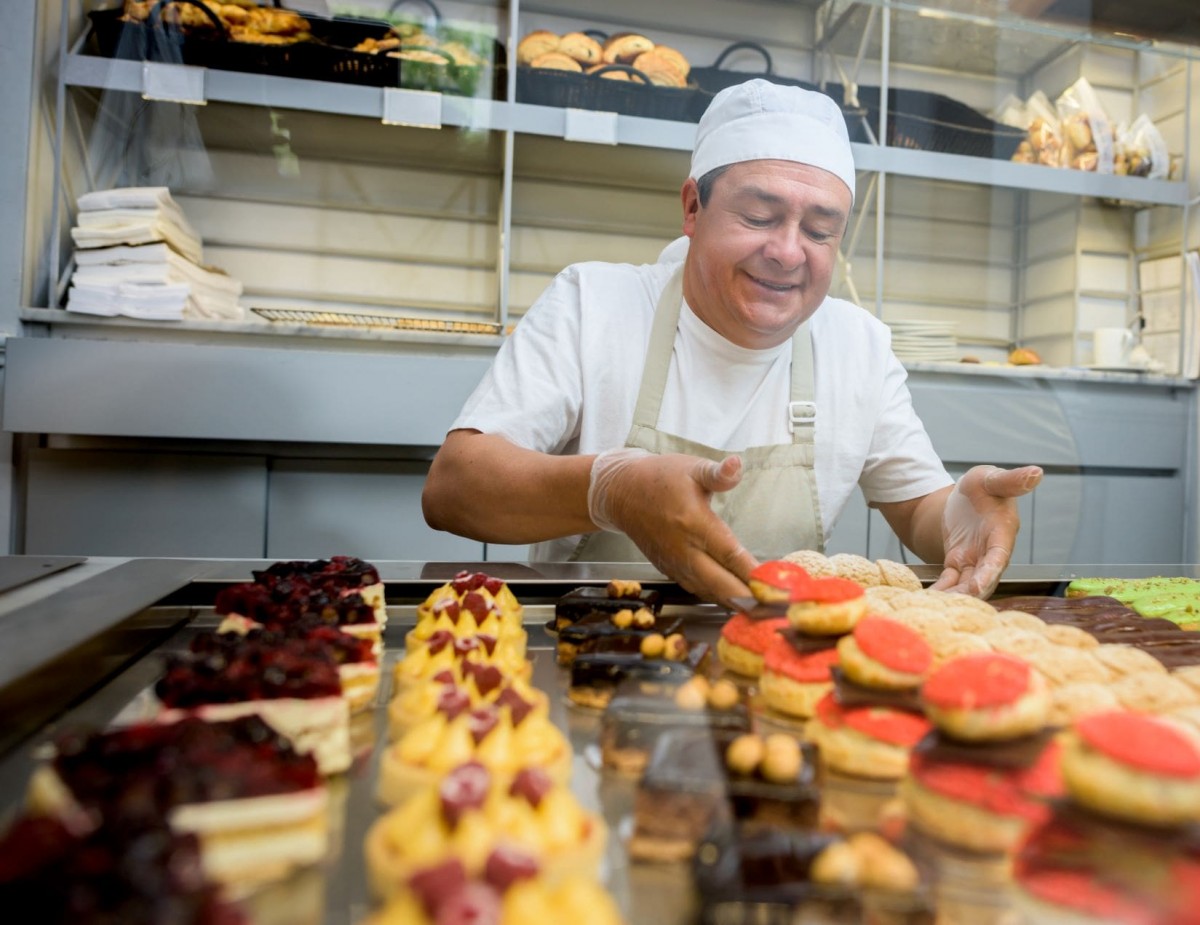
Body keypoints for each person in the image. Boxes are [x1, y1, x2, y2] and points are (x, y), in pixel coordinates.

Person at [422, 79, 1042, 605]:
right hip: (597, 656)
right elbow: (455, 489)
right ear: (693, 208)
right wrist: (609, 490)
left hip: (780, 666)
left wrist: (960, 517)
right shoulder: (595, 306)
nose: (788, 252)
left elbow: (918, 508)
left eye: (821, 230)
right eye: (759, 217)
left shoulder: (858, 347)